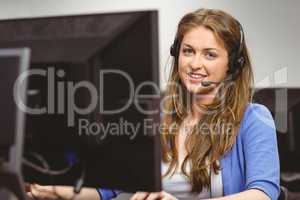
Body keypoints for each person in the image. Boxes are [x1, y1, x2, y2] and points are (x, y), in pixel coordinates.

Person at [26, 8, 280, 200]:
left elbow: (262, 193)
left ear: (232, 65)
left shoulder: (254, 118)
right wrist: (59, 191)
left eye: (210, 54)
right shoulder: (153, 114)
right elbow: (113, 185)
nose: (194, 63)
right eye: (188, 51)